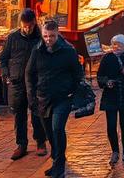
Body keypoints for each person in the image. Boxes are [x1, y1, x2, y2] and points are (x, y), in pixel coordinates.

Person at [26, 19, 83, 178]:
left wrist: (72, 92)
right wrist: (31, 96)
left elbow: (78, 73)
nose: (48, 39)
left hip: (62, 98)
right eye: (45, 36)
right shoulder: (37, 50)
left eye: (51, 36)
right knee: (49, 132)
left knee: (58, 129)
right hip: (43, 98)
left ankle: (59, 165)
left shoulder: (68, 51)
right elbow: (29, 74)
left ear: (57, 33)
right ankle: (57, 159)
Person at [0, 8, 46, 160]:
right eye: (24, 26)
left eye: (30, 26)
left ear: (34, 23)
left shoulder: (40, 38)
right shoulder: (12, 38)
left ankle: (40, 142)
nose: (27, 29)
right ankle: (21, 144)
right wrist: (6, 74)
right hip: (17, 82)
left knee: (37, 112)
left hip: (35, 82)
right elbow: (3, 58)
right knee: (19, 114)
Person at [96, 34, 124, 164]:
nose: (116, 47)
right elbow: (100, 76)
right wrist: (107, 82)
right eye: (114, 44)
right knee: (111, 125)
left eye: (119, 45)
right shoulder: (107, 58)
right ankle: (115, 150)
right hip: (111, 96)